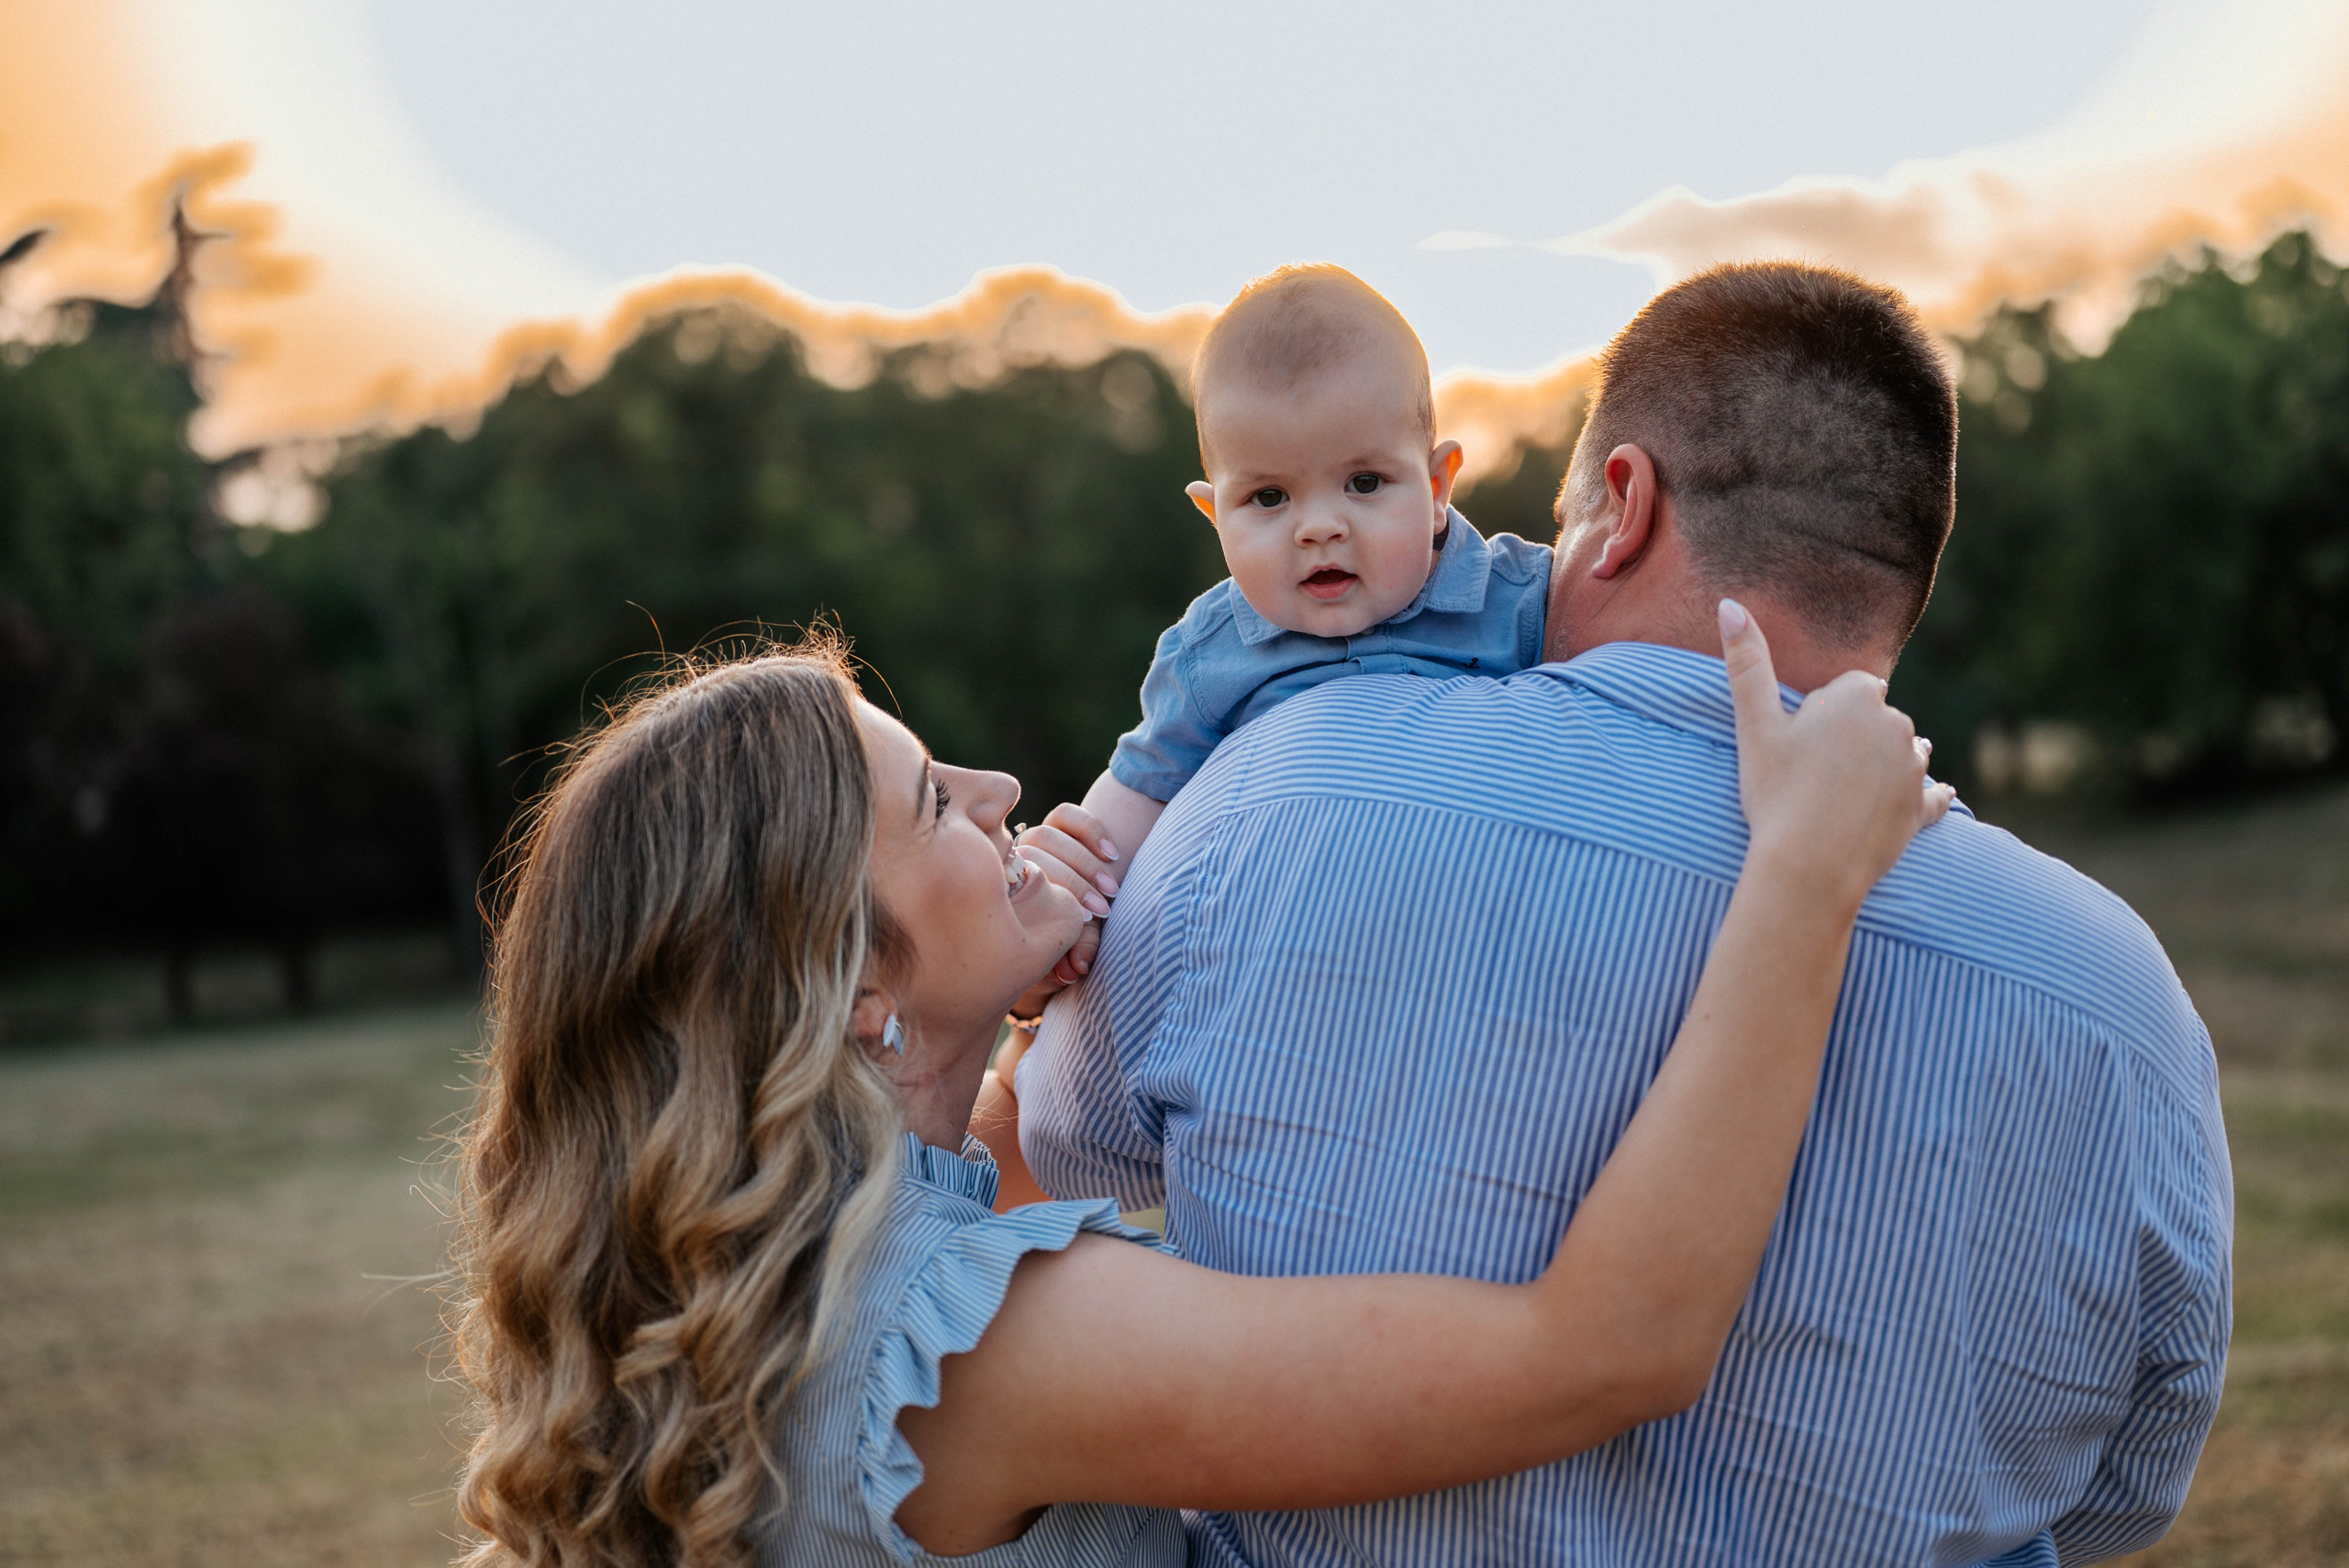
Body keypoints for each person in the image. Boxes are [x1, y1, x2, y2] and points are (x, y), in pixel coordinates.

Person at [1019, 261, 2233, 1567]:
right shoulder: (2123, 1000)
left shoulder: (1260, 798)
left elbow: (1060, 1149)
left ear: (1622, 503)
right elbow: (2121, 1492)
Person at [448, 608, 1944, 1568]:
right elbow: (1605, 1349)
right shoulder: (976, 1349)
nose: (1000, 793)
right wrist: (1807, 868)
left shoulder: (784, 1279)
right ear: (851, 987)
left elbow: (985, 1170)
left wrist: (1013, 1008)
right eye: (935, 802)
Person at [1071, 262, 1552, 889]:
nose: (1319, 528)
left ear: (1436, 487)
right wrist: (1077, 885)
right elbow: (1139, 793)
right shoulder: (1210, 653)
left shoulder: (1519, 599)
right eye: (1269, 497)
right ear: (1216, 517)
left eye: (1364, 482)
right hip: (1294, 912)